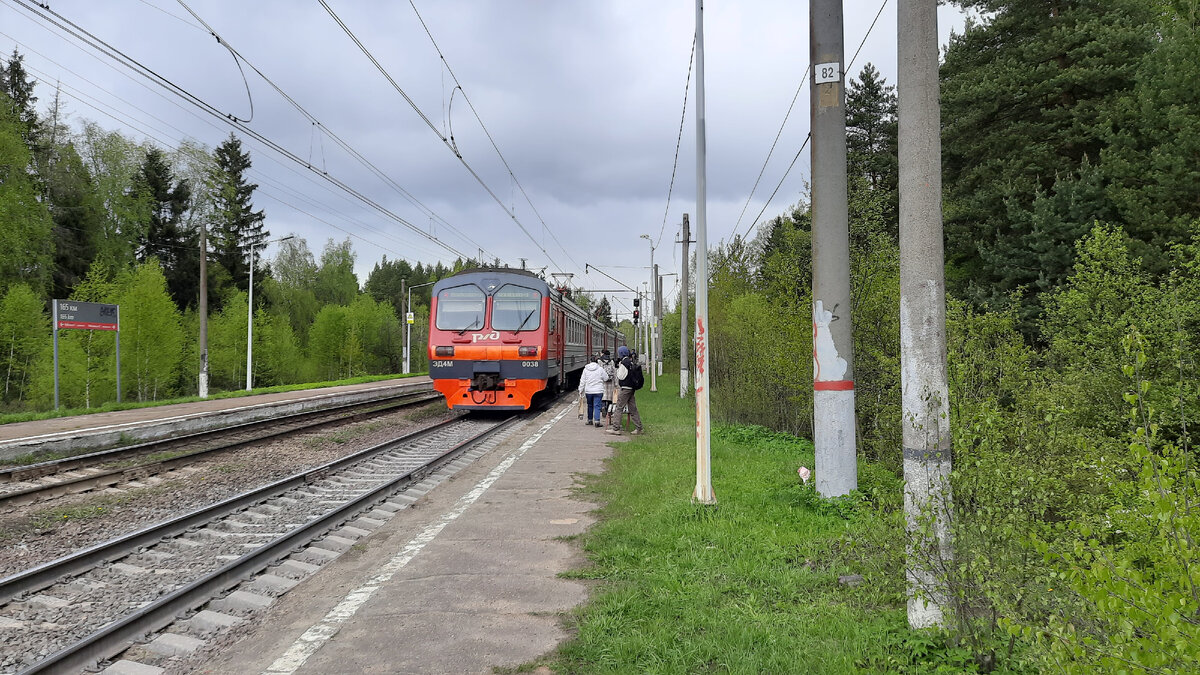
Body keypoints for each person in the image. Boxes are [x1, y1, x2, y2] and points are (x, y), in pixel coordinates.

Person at [607, 345, 644, 435]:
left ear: (621, 354)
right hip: (631, 388)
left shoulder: (624, 363)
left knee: (619, 407)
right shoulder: (630, 362)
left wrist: (618, 368)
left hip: (625, 389)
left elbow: (620, 376)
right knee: (633, 408)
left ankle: (616, 428)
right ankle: (639, 428)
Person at [577, 355, 609, 427]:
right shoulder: (600, 369)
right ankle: (597, 421)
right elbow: (606, 378)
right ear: (597, 361)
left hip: (589, 391)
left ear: (590, 361)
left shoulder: (586, 369)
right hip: (598, 391)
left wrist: (580, 390)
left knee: (590, 405)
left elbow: (582, 381)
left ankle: (590, 420)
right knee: (597, 406)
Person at [599, 349, 617, 428]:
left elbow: (598, 372)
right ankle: (608, 412)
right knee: (610, 397)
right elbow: (615, 372)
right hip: (610, 381)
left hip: (603, 381)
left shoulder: (600, 361)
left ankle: (603, 407)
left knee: (603, 396)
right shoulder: (611, 361)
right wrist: (616, 383)